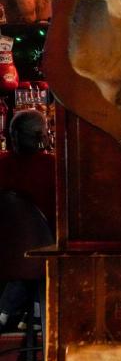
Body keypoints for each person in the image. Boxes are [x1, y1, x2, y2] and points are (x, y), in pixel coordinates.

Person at [0, 109, 55, 330]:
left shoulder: (2, 164)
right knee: (44, 251)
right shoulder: (54, 166)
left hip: (4, 254)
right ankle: (36, 312)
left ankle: (9, 311)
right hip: (42, 256)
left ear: (13, 136)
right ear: (42, 136)